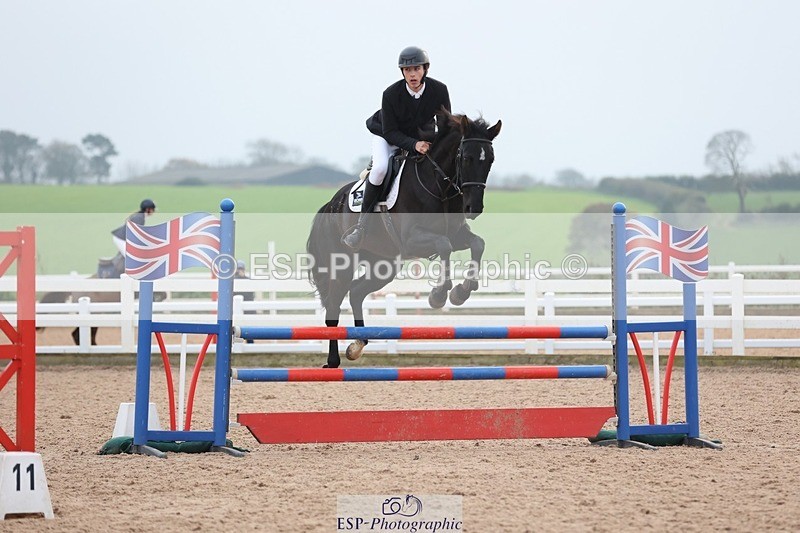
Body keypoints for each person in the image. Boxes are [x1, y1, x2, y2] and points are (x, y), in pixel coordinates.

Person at [342, 46, 452, 250]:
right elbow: (391, 132)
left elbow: (445, 125)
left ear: (425, 69)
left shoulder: (439, 90)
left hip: (420, 136)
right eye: (407, 70)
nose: (412, 74)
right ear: (402, 72)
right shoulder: (391, 94)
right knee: (381, 169)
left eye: (416, 69)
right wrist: (414, 144)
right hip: (387, 135)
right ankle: (361, 226)